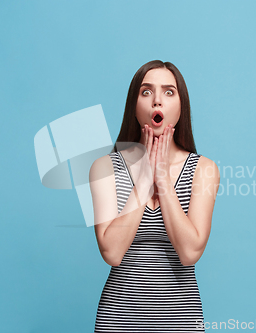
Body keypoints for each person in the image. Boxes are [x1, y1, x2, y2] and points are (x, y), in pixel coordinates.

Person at [89, 60, 220, 332]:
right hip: (118, 321)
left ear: (181, 107)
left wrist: (162, 176)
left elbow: (189, 252)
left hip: (181, 321)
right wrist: (145, 177)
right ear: (134, 106)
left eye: (169, 92)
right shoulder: (104, 168)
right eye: (146, 92)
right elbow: (111, 252)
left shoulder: (204, 170)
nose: (157, 101)